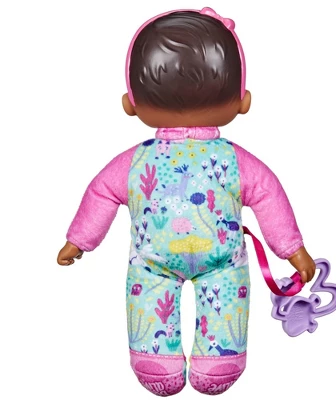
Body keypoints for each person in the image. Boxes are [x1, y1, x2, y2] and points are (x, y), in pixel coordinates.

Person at [57, 8, 315, 396]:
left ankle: (154, 361)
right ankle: (220, 363)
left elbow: (101, 192)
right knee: (226, 313)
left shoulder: (134, 162)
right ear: (242, 100)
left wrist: (79, 240)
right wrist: (293, 250)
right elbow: (269, 196)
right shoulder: (235, 160)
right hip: (224, 261)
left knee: (148, 309)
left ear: (131, 102)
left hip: (151, 262)